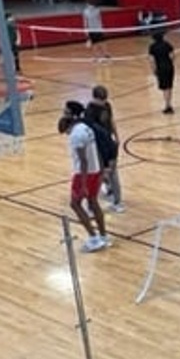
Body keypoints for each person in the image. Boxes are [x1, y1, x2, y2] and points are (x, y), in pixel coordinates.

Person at [59, 100, 109, 251]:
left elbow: (83, 160)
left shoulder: (76, 135)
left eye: (66, 111)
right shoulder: (86, 128)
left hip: (83, 174)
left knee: (75, 204)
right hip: (95, 170)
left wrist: (84, 185)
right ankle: (103, 236)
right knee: (93, 202)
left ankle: (93, 238)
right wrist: (101, 171)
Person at [87, 85, 124, 213]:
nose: (103, 103)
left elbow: (111, 120)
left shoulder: (107, 105)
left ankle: (117, 201)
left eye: (104, 100)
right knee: (98, 173)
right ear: (95, 98)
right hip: (97, 146)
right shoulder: (90, 111)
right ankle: (92, 205)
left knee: (113, 172)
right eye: (100, 100)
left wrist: (116, 135)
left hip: (109, 143)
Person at [148, 31, 175, 114]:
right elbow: (172, 56)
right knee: (169, 86)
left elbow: (152, 60)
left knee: (165, 87)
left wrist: (154, 70)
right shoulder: (167, 44)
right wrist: (170, 63)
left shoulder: (152, 47)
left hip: (161, 68)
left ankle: (168, 106)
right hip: (170, 67)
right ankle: (169, 104)